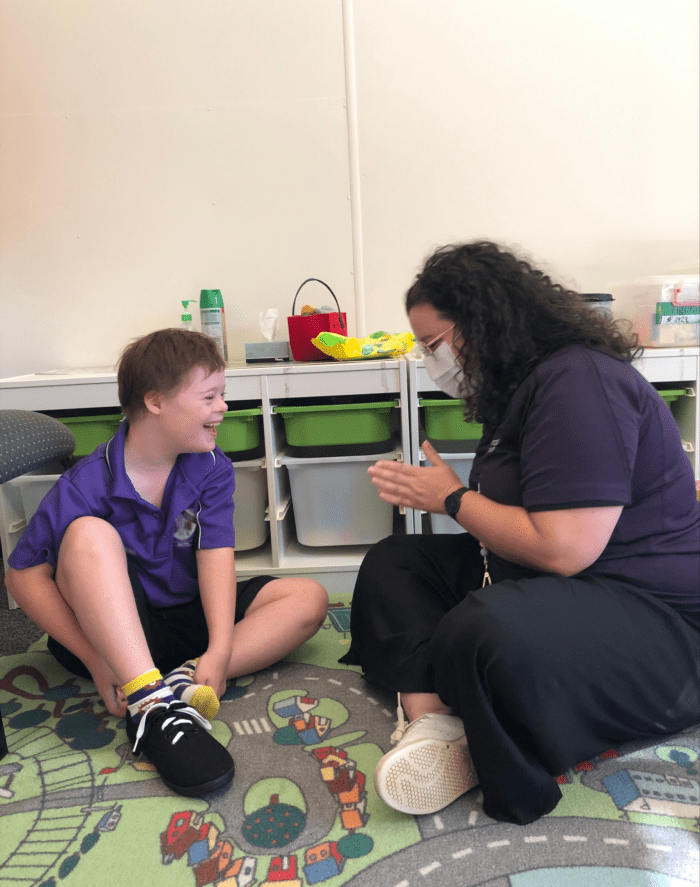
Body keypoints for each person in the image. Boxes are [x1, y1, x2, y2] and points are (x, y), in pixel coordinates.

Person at [340, 241, 700, 825]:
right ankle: (436, 717)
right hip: (553, 581)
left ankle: (480, 743)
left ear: (482, 322)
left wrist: (453, 498)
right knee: (394, 562)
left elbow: (564, 549)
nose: (431, 361)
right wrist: (457, 498)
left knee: (478, 629)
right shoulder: (523, 389)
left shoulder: (581, 382)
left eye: (433, 344)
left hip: (654, 614)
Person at [6, 329, 328, 798]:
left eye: (224, 395)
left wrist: (219, 648)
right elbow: (23, 574)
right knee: (88, 535)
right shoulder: (85, 483)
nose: (223, 407)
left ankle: (178, 681)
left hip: (184, 615)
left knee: (308, 597)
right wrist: (96, 660)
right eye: (210, 396)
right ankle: (151, 702)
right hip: (112, 634)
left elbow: (214, 552)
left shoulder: (209, 465)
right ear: (155, 401)